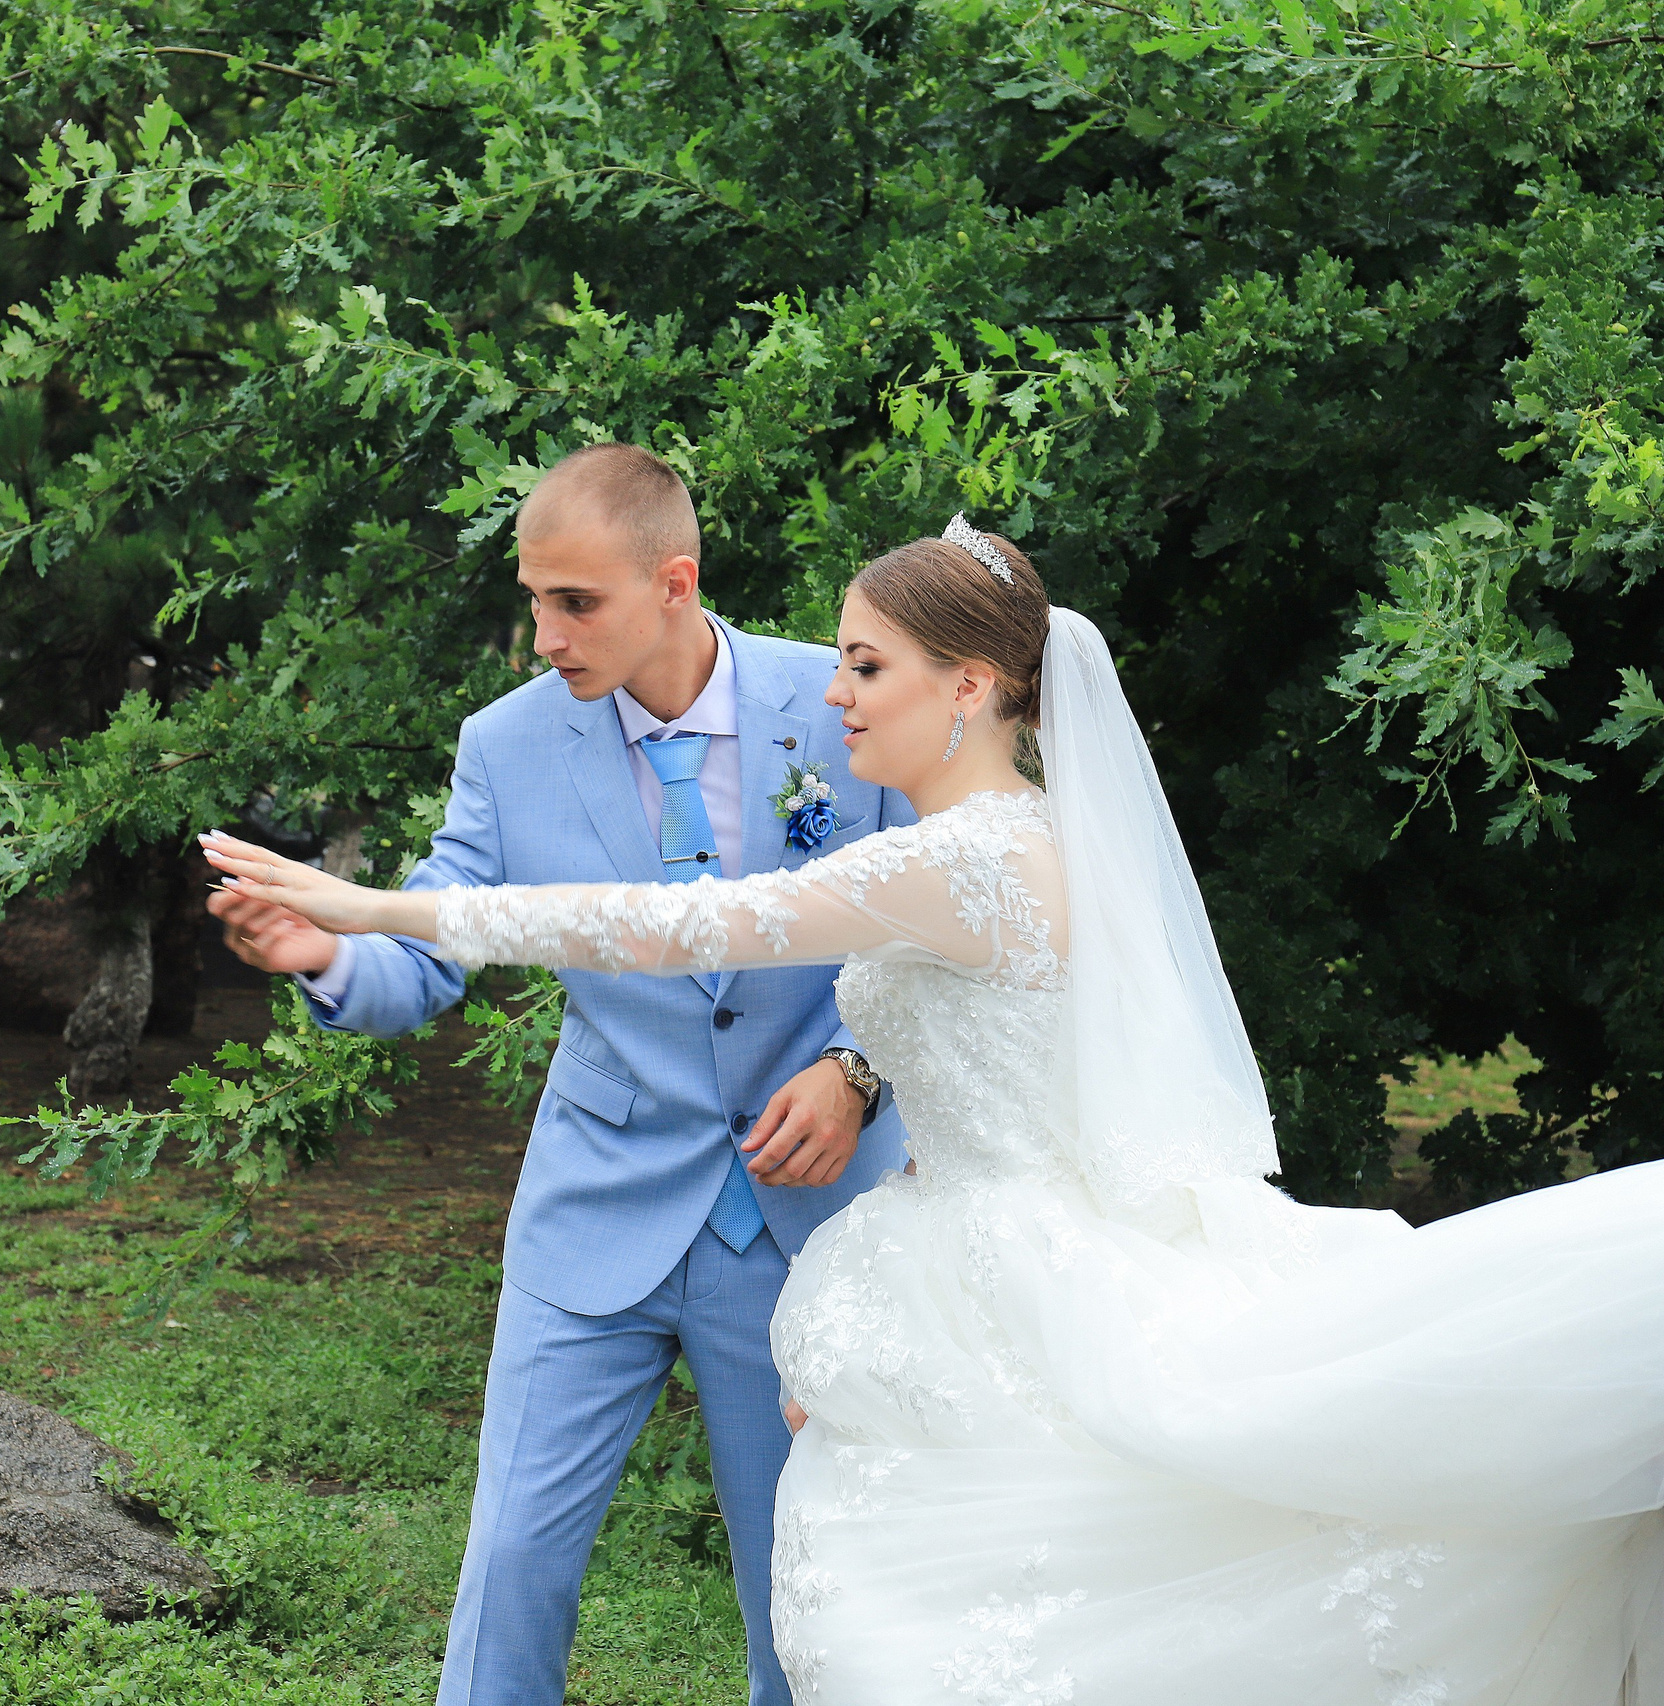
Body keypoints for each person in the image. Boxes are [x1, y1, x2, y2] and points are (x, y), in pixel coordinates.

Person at [203, 518, 1664, 1704]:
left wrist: (373, 898)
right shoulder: (1006, 841)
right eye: (838, 662)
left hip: (1006, 1270)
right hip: (950, 1244)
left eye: (865, 664)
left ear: (968, 685)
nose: (835, 693)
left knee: (938, 1628)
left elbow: (677, 922)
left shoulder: (966, 861)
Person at [208, 443, 914, 1706]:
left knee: (799, 1584)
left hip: (807, 1221)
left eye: (573, 601)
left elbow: (930, 934)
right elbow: (431, 944)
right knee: (513, 1558)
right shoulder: (507, 744)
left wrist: (857, 1070)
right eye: (533, 598)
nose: (544, 633)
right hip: (595, 1202)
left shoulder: (845, 697)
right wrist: (329, 951)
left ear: (673, 582)